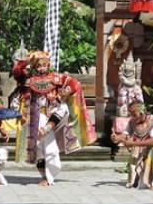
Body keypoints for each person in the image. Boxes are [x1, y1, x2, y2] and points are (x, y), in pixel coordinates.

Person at [12, 50, 97, 186]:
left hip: (52, 117)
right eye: (38, 65)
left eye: (44, 65)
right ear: (34, 67)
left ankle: (49, 177)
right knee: (39, 150)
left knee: (63, 109)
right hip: (35, 118)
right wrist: (27, 61)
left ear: (48, 65)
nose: (41, 68)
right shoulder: (28, 80)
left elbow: (75, 84)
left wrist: (66, 91)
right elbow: (16, 72)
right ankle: (45, 176)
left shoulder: (56, 78)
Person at [111, 99, 153, 190]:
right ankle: (140, 178)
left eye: (134, 114)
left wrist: (133, 143)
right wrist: (117, 138)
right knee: (140, 183)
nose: (133, 117)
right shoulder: (132, 122)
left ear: (143, 112)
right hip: (142, 150)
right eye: (131, 114)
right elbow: (125, 135)